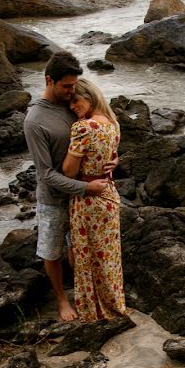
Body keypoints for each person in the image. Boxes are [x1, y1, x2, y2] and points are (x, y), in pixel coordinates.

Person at [23, 51, 114, 321]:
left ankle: (83, 292)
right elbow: (46, 174)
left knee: (79, 246)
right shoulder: (35, 121)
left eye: (73, 87)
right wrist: (86, 188)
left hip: (83, 197)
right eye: (65, 86)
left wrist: (114, 159)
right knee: (52, 251)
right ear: (49, 80)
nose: (71, 93)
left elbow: (100, 133)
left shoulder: (72, 103)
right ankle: (62, 300)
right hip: (54, 197)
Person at [61, 77, 127, 321]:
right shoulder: (112, 124)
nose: (72, 106)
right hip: (109, 192)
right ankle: (114, 303)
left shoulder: (83, 128)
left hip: (88, 196)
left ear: (88, 98)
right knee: (108, 256)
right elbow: (111, 157)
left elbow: (69, 171)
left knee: (87, 255)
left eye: (75, 100)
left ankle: (95, 310)